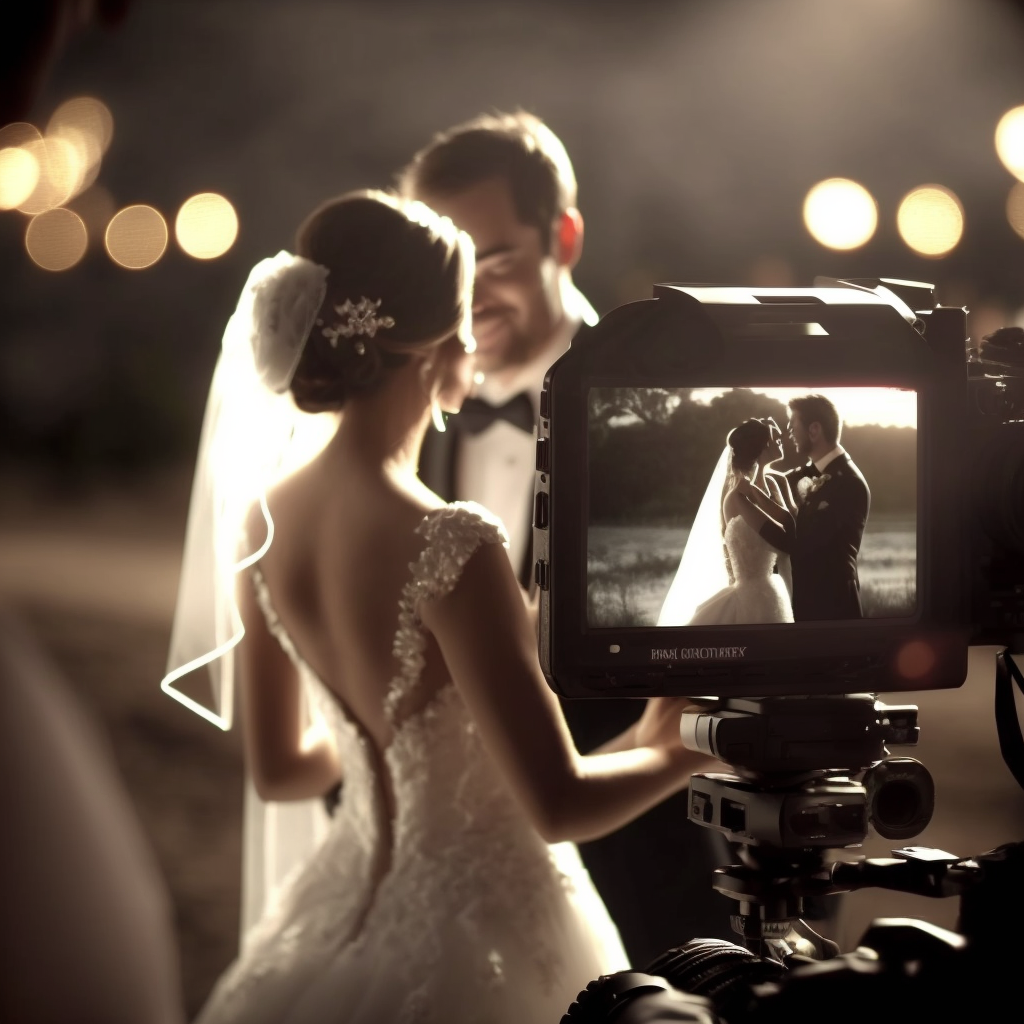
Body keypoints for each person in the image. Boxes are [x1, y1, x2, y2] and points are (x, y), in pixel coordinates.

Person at [162, 189, 718, 1024]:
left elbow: (282, 770)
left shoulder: (264, 519)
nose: (475, 337)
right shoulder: (452, 543)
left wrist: (408, 754)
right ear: (430, 344)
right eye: (463, 314)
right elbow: (560, 805)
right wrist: (684, 751)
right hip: (477, 941)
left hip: (341, 918)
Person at [399, 110, 737, 965]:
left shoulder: (672, 406)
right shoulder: (413, 418)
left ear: (567, 237)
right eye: (445, 266)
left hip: (644, 867)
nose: (468, 296)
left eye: (497, 257)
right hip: (461, 890)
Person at [658, 417, 795, 627]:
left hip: (767, 592)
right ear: (762, 446)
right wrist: (756, 493)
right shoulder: (737, 498)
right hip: (753, 599)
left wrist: (757, 493)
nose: (781, 441)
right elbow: (786, 540)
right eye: (774, 438)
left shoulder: (753, 490)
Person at [777, 394, 870, 621]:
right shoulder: (805, 473)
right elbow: (770, 480)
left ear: (814, 429)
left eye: (793, 423)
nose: (788, 430)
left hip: (834, 608)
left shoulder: (848, 482)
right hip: (802, 605)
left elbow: (808, 543)